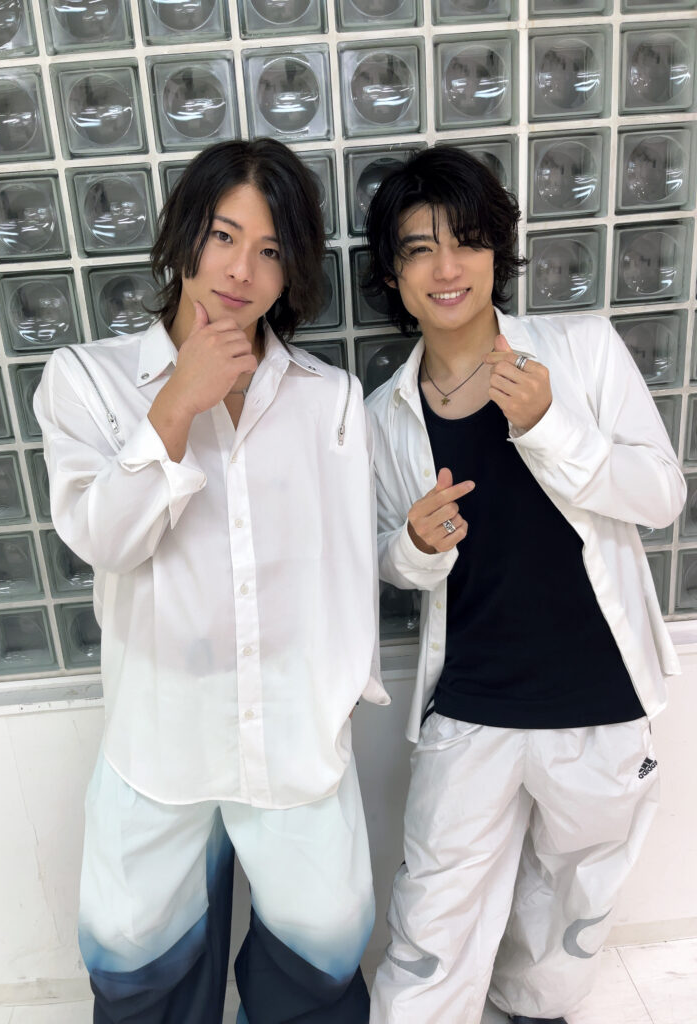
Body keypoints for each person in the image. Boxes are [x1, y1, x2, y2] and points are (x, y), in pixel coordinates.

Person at [34, 137, 389, 1024]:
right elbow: (103, 539)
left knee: (323, 949)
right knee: (136, 961)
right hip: (160, 738)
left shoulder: (328, 397)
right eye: (225, 236)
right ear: (185, 233)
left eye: (270, 250)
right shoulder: (88, 380)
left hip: (295, 734)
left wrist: (344, 691)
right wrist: (174, 406)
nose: (241, 270)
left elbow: (346, 562)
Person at [362, 144, 685, 1024]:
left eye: (466, 241)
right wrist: (415, 546)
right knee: (432, 915)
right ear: (392, 275)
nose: (447, 268)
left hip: (602, 697)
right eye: (419, 248)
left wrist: (549, 426)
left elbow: (661, 496)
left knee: (571, 905)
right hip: (472, 701)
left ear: (497, 251)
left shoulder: (580, 351)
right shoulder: (385, 415)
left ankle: (533, 1010)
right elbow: (385, 558)